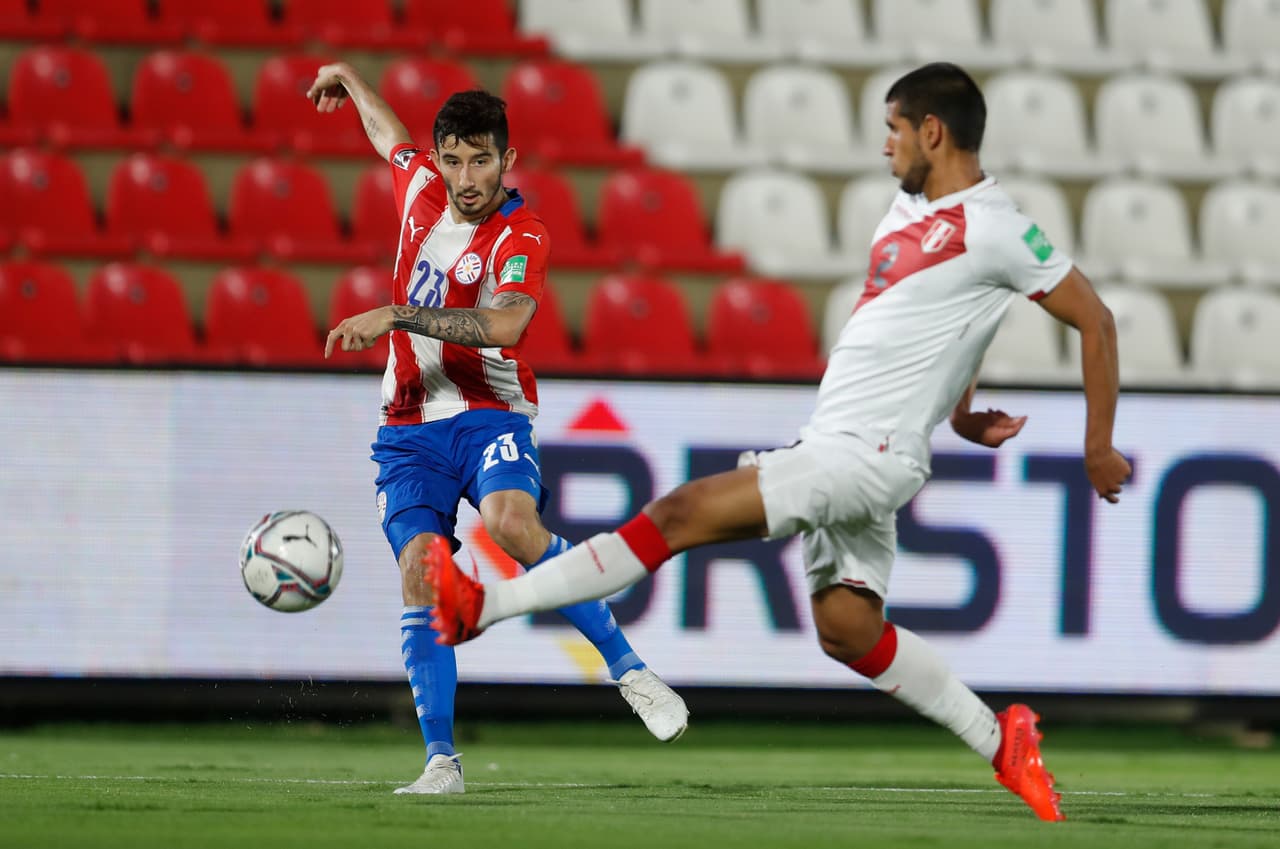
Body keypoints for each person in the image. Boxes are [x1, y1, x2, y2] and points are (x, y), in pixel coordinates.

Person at [424, 62, 1133, 822]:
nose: (886, 145)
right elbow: (940, 320)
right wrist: (960, 413)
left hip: (866, 454)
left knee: (678, 516)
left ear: (933, 132)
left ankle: (486, 605)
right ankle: (1004, 743)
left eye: (894, 129)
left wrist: (1098, 445)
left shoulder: (997, 226)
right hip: (844, 441)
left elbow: (1095, 319)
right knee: (847, 628)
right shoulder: (907, 209)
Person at [306, 63, 689, 795]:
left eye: (480, 160)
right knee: (421, 572)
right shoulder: (419, 186)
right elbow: (387, 135)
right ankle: (441, 760)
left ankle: (630, 670)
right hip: (407, 426)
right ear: (438, 158)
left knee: (513, 524)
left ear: (507, 159)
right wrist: (350, 80)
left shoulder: (522, 233)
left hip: (489, 414)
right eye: (452, 160)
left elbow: (507, 324)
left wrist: (397, 315)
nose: (465, 177)